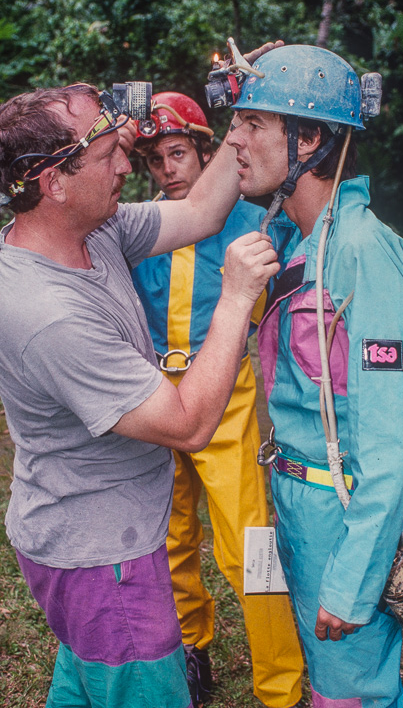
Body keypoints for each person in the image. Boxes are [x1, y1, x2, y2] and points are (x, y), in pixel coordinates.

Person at [0, 59, 280, 708]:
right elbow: (187, 423)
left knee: (88, 684)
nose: (129, 168)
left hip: (95, 540)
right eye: (110, 156)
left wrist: (243, 115)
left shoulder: (94, 233)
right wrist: (236, 299)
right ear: (53, 182)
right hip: (105, 561)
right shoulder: (48, 313)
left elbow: (205, 211)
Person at [224, 44, 403, 708]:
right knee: (329, 683)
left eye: (254, 122)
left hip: (343, 514)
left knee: (352, 693)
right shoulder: (298, 241)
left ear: (310, 138)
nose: (233, 137)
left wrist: (351, 581)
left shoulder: (361, 254)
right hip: (299, 504)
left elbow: (396, 441)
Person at [127, 91, 303, 708]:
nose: (168, 169)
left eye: (178, 153)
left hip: (226, 400)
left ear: (208, 152)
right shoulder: (139, 225)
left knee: (249, 545)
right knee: (169, 539)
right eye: (155, 159)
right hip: (154, 399)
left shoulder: (252, 223)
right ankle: (191, 652)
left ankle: (282, 687)